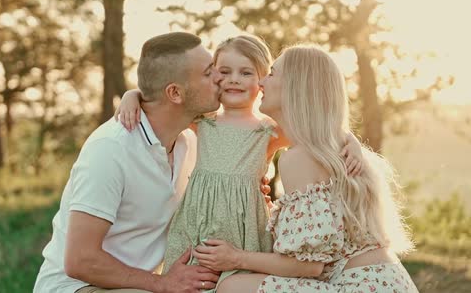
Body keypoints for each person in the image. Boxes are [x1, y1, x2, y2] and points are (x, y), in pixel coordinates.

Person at [115, 36, 364, 292]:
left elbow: (317, 129)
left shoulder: (267, 131)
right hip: (197, 222)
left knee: (237, 283)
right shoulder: (202, 121)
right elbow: (161, 100)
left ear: (262, 82)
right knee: (192, 281)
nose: (234, 79)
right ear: (213, 77)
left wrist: (351, 141)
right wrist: (132, 96)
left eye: (246, 72)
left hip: (245, 230)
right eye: (224, 72)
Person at [190, 45, 419, 293]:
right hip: (387, 281)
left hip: (358, 285)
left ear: (295, 86)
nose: (262, 81)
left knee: (233, 287)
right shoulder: (329, 147)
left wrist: (235, 257)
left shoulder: (300, 158)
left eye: (272, 74)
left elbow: (308, 266)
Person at [33, 32, 225, 293]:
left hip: (136, 285)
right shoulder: (110, 149)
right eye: (207, 72)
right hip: (76, 287)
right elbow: (80, 260)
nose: (219, 78)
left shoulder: (189, 142)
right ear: (175, 93)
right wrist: (164, 283)